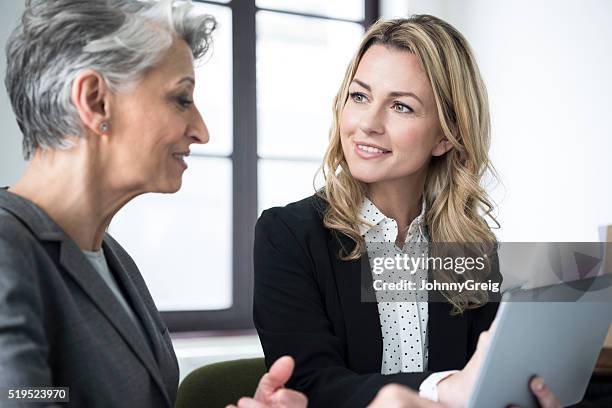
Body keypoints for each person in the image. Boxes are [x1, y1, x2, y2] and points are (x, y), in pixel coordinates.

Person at [0, 1, 305, 407]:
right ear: (95, 101)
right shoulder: (7, 253)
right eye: (181, 99)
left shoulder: (112, 258)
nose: (201, 131)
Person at [253, 15, 561, 407]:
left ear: (446, 136)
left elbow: (487, 380)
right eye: (359, 96)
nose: (367, 123)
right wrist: (444, 389)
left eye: (400, 106)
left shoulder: (470, 247)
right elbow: (309, 385)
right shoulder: (287, 235)